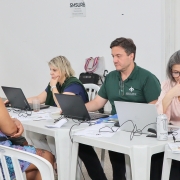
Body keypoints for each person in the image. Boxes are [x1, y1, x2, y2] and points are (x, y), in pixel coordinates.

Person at [82, 37, 163, 180]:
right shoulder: (111, 77)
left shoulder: (146, 77)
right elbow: (98, 103)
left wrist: (133, 116)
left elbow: (156, 106)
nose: (114, 60)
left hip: (140, 130)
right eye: (113, 56)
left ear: (131, 56)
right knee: (83, 141)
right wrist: (79, 109)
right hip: (116, 127)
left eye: (118, 56)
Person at [0, 97, 54, 180]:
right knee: (45, 158)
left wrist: (12, 120)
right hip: (2, 158)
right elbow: (11, 131)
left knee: (26, 146)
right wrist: (13, 123)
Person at [156, 50, 180, 180]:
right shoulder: (167, 85)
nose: (179, 77)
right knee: (155, 158)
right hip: (173, 134)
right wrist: (170, 94)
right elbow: (160, 117)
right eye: (176, 72)